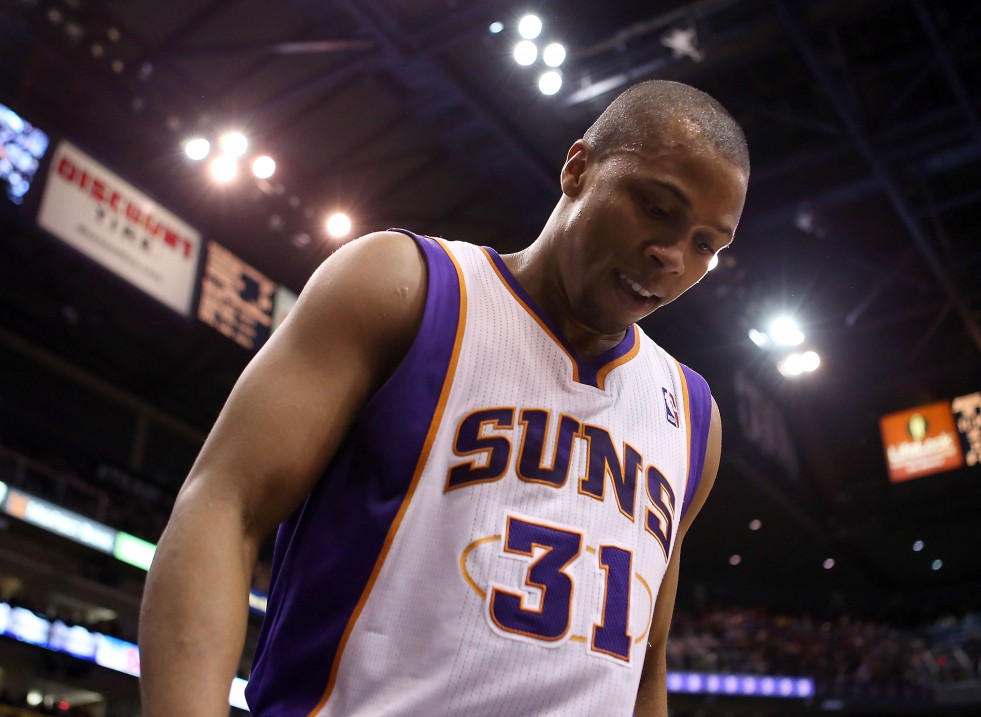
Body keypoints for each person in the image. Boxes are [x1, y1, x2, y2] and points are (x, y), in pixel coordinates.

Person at [139, 79, 749, 717]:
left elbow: (645, 673)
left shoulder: (690, 415)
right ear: (578, 168)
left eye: (707, 244)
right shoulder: (404, 288)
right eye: (656, 209)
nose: (672, 257)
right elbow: (224, 506)